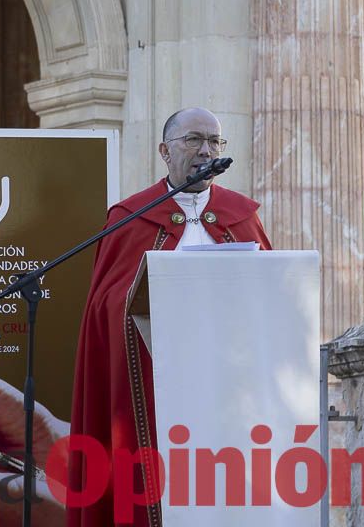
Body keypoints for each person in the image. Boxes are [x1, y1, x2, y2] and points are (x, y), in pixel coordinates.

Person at [67, 108, 271, 527]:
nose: (206, 150)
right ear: (164, 151)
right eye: (194, 140)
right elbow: (106, 305)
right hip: (154, 383)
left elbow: (271, 297)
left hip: (227, 389)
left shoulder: (242, 216)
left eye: (215, 141)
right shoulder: (130, 217)